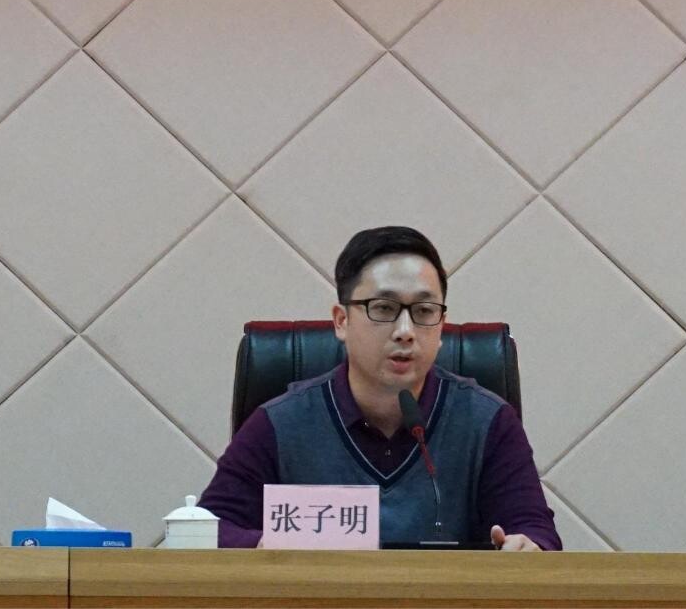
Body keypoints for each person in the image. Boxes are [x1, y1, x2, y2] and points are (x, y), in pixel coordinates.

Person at [198, 226, 561, 551]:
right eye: (384, 308)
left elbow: (536, 532)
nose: (405, 331)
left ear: (441, 325)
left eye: (424, 311)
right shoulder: (280, 423)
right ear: (341, 321)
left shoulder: (488, 422)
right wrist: (265, 545)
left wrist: (527, 547)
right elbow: (205, 532)